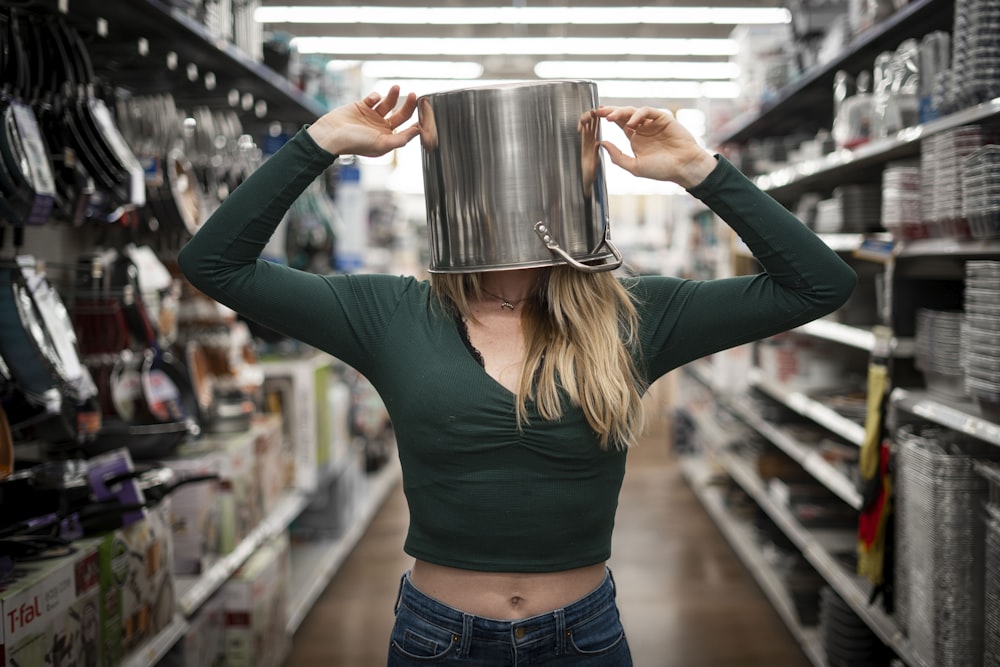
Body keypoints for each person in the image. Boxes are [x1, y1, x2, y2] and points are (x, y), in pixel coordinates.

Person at [178, 84, 856, 665]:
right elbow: (215, 263)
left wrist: (701, 170)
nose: (512, 186)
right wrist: (318, 143)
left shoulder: (638, 315)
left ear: (582, 177)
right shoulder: (390, 312)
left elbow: (817, 284)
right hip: (437, 636)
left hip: (582, 635)